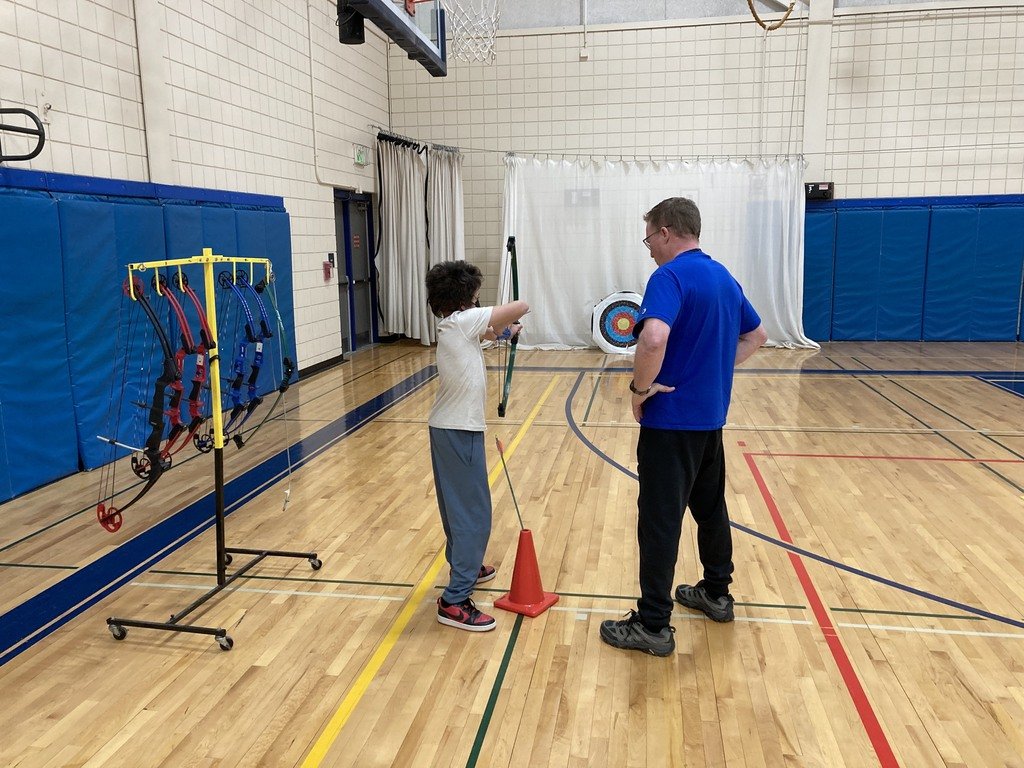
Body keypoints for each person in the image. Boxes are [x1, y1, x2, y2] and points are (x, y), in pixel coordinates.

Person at [600, 197, 768, 656]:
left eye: (649, 237)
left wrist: (639, 391)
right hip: (709, 422)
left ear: (668, 232)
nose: (648, 247)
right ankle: (717, 594)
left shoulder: (668, 276)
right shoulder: (722, 276)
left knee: (659, 521)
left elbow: (653, 337)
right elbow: (757, 335)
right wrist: (712, 370)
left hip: (671, 423)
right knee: (710, 509)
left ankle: (653, 625)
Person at [425, 260, 528, 632]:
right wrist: (506, 317)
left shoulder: (456, 326)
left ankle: (463, 565)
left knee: (460, 509)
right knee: (474, 514)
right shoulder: (462, 320)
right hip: (457, 431)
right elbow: (522, 305)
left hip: (449, 428)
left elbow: (487, 333)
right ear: (465, 296)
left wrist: (502, 333)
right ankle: (454, 600)